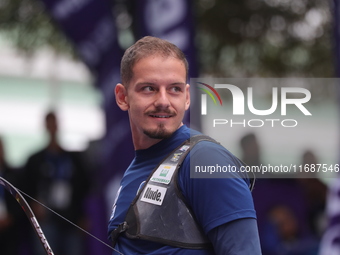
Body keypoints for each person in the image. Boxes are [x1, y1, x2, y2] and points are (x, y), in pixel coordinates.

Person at [107, 36, 261, 255]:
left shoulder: (205, 160)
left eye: (174, 89)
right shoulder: (136, 168)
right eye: (149, 88)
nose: (163, 101)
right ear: (123, 97)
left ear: (187, 97)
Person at [23, 111, 90, 255]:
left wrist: (83, 216)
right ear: (45, 125)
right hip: (46, 220)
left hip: (71, 219)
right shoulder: (35, 160)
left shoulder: (73, 159)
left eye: (54, 122)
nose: (52, 126)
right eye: (49, 123)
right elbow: (26, 188)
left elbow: (84, 189)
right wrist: (34, 204)